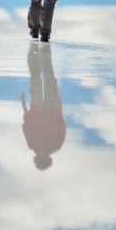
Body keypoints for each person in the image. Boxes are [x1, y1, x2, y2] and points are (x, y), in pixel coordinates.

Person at [21, 41, 66, 170]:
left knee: (47, 77)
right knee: (38, 78)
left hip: (50, 108)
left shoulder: (56, 146)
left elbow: (61, 124)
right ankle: (38, 54)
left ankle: (42, 54)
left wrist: (60, 106)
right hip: (40, 108)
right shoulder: (33, 144)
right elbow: (26, 124)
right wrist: (24, 106)